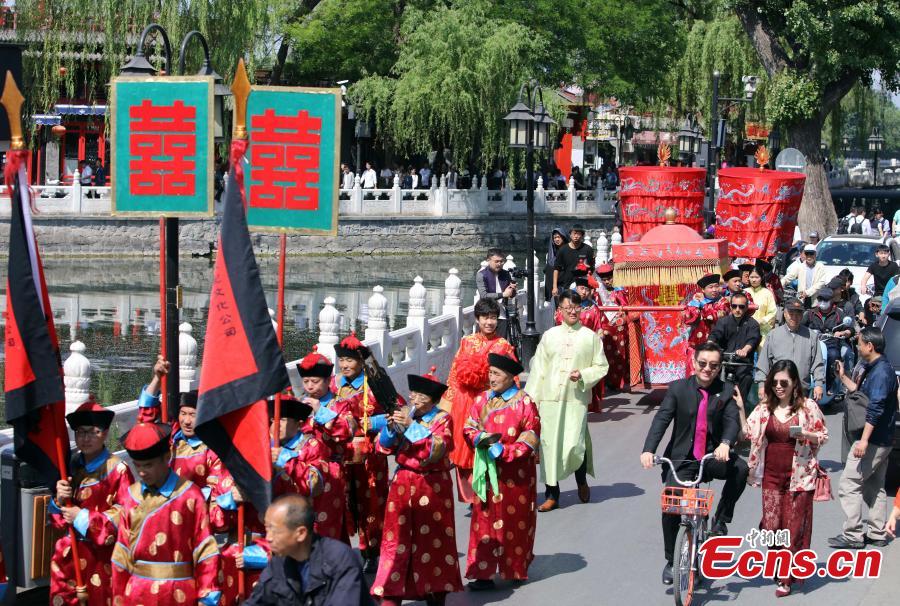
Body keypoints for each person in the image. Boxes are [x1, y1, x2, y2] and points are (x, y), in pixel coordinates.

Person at [640, 343, 749, 586]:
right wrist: (649, 450)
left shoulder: (726, 390)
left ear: (719, 367)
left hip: (712, 457)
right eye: (703, 364)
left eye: (713, 365)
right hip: (683, 459)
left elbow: (732, 421)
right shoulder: (678, 389)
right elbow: (662, 419)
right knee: (671, 505)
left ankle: (720, 521)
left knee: (740, 469)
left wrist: (725, 443)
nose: (707, 369)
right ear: (694, 363)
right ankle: (671, 560)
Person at [370, 371, 462, 605]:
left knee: (433, 539)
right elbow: (381, 447)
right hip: (402, 484)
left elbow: (436, 449)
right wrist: (391, 429)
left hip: (431, 486)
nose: (415, 397)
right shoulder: (405, 414)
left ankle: (435, 591)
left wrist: (410, 426)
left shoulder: (442, 419)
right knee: (395, 540)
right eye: (413, 392)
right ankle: (390, 593)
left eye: (421, 394)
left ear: (432, 398)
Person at [111, 422, 220, 604]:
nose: (142, 472)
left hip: (179, 594)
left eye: (148, 465)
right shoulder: (131, 496)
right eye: (138, 466)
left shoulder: (190, 495)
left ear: (167, 457)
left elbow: (206, 549)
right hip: (137, 593)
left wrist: (206, 597)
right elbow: (121, 554)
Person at [745, 360, 828, 597]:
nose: (778, 387)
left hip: (799, 477)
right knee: (772, 527)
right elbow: (748, 432)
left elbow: (823, 436)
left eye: (784, 383)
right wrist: (739, 409)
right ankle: (779, 561)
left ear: (794, 385)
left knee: (791, 529)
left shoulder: (808, 407)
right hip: (771, 475)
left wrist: (806, 434)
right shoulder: (764, 408)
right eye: (775, 382)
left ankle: (786, 578)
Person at [463, 353, 540, 589]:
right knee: (483, 521)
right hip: (487, 472)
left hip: (516, 476)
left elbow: (531, 438)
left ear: (510, 377)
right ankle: (482, 573)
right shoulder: (482, 400)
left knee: (515, 521)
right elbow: (469, 426)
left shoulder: (525, 403)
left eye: (496, 374)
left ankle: (515, 568)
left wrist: (505, 451)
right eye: (490, 373)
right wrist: (479, 439)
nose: (491, 378)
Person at [527, 290, 608, 511]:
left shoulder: (590, 337)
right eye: (567, 308)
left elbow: (602, 366)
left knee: (575, 443)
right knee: (549, 446)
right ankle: (553, 494)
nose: (572, 311)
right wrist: (531, 400)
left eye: (576, 307)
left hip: (576, 399)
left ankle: (581, 481)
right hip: (549, 397)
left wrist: (583, 375)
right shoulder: (549, 336)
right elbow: (539, 369)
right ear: (560, 311)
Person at [50, 400, 134, 606]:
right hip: (69, 553)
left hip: (101, 558)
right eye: (80, 432)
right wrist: (58, 501)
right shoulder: (69, 465)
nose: (85, 438)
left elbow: (126, 514)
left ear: (104, 434)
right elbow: (57, 521)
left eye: (92, 432)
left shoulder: (118, 469)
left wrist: (83, 518)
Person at [439, 298, 515, 503]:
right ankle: (472, 496)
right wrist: (446, 406)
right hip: (464, 403)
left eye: (492, 318)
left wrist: (509, 405)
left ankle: (488, 492)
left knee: (486, 447)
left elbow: (512, 378)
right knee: (463, 450)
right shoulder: (467, 342)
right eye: (484, 318)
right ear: (477, 319)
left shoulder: (503, 346)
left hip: (489, 404)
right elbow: (454, 375)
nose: (489, 322)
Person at [830, 327, 898, 549]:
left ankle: (853, 534)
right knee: (874, 485)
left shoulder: (881, 373)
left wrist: (864, 440)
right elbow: (860, 394)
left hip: (874, 439)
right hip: (883, 438)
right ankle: (878, 532)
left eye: (860, 343)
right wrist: (842, 377)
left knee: (849, 483)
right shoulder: (875, 367)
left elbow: (875, 408)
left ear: (870, 346)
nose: (857, 347)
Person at [245, 494, 373, 606]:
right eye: (267, 530)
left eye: (274, 531)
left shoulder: (339, 559)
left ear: (301, 533)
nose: (268, 538)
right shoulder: (279, 563)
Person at [332, 332, 388, 572]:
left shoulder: (374, 383)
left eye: (350, 360)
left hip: (370, 454)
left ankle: (372, 551)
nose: (345, 365)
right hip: (341, 454)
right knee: (341, 501)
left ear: (361, 362)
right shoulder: (334, 385)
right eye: (342, 360)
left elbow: (394, 414)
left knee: (371, 502)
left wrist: (368, 425)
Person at [137, 355, 221, 499]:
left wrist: (185, 498)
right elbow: (145, 419)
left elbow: (216, 489)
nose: (187, 421)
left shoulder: (212, 448)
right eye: (183, 413)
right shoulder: (171, 436)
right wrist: (158, 378)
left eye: (193, 415)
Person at [756, 298, 825, 401]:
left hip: (802, 390)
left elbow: (817, 363)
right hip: (778, 390)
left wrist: (818, 384)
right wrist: (761, 385)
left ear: (802, 315)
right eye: (791, 313)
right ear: (785, 313)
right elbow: (763, 363)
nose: (794, 317)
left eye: (798, 314)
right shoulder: (773, 335)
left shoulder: (811, 336)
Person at [801, 286, 854, 394]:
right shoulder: (811, 313)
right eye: (820, 299)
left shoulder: (839, 313)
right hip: (812, 344)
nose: (822, 302)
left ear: (831, 300)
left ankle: (830, 383)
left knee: (833, 355)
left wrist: (843, 332)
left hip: (831, 344)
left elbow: (850, 329)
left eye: (825, 300)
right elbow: (800, 325)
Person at [710, 292, 761, 403]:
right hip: (724, 362)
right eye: (734, 306)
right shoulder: (723, 322)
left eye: (741, 307)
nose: (737, 309)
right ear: (730, 307)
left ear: (747, 307)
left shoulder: (753, 324)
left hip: (742, 363)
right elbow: (716, 334)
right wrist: (710, 344)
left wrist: (744, 350)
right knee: (712, 378)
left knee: (746, 379)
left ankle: (740, 407)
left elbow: (753, 339)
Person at [594, 264, 630, 393]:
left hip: (618, 327)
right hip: (605, 327)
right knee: (605, 355)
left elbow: (626, 307)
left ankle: (620, 381)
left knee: (620, 354)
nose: (607, 281)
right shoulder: (599, 293)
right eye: (604, 280)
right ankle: (607, 381)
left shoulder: (620, 291)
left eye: (609, 278)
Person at [682, 273, 729, 358]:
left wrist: (703, 304)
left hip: (715, 343)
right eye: (711, 287)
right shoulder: (696, 300)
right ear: (703, 289)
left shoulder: (723, 302)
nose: (714, 289)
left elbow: (717, 317)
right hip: (696, 342)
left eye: (716, 286)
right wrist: (695, 304)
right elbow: (688, 319)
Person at [475, 248, 515, 337]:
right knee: (484, 344)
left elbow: (510, 295)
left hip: (502, 314)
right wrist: (503, 294)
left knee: (501, 344)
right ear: (488, 260)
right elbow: (484, 295)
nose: (499, 264)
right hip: (486, 314)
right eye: (496, 261)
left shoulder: (506, 274)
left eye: (501, 261)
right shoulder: (481, 275)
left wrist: (512, 290)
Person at [552, 224, 595, 297]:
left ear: (582, 236)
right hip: (568, 284)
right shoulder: (563, 250)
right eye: (574, 233)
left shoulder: (588, 250)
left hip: (583, 286)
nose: (576, 236)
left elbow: (592, 269)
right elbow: (556, 269)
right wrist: (555, 287)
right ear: (570, 235)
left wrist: (592, 286)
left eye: (578, 234)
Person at [747, 266, 776, 345]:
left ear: (762, 278)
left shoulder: (767, 293)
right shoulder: (744, 292)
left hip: (763, 331)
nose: (754, 280)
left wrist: (761, 321)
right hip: (746, 330)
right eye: (751, 277)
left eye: (757, 277)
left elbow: (772, 313)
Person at [543, 227, 569, 302]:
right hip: (553, 287)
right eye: (555, 237)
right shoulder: (553, 252)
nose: (557, 239)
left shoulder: (567, 250)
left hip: (563, 285)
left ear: (563, 237)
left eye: (559, 237)